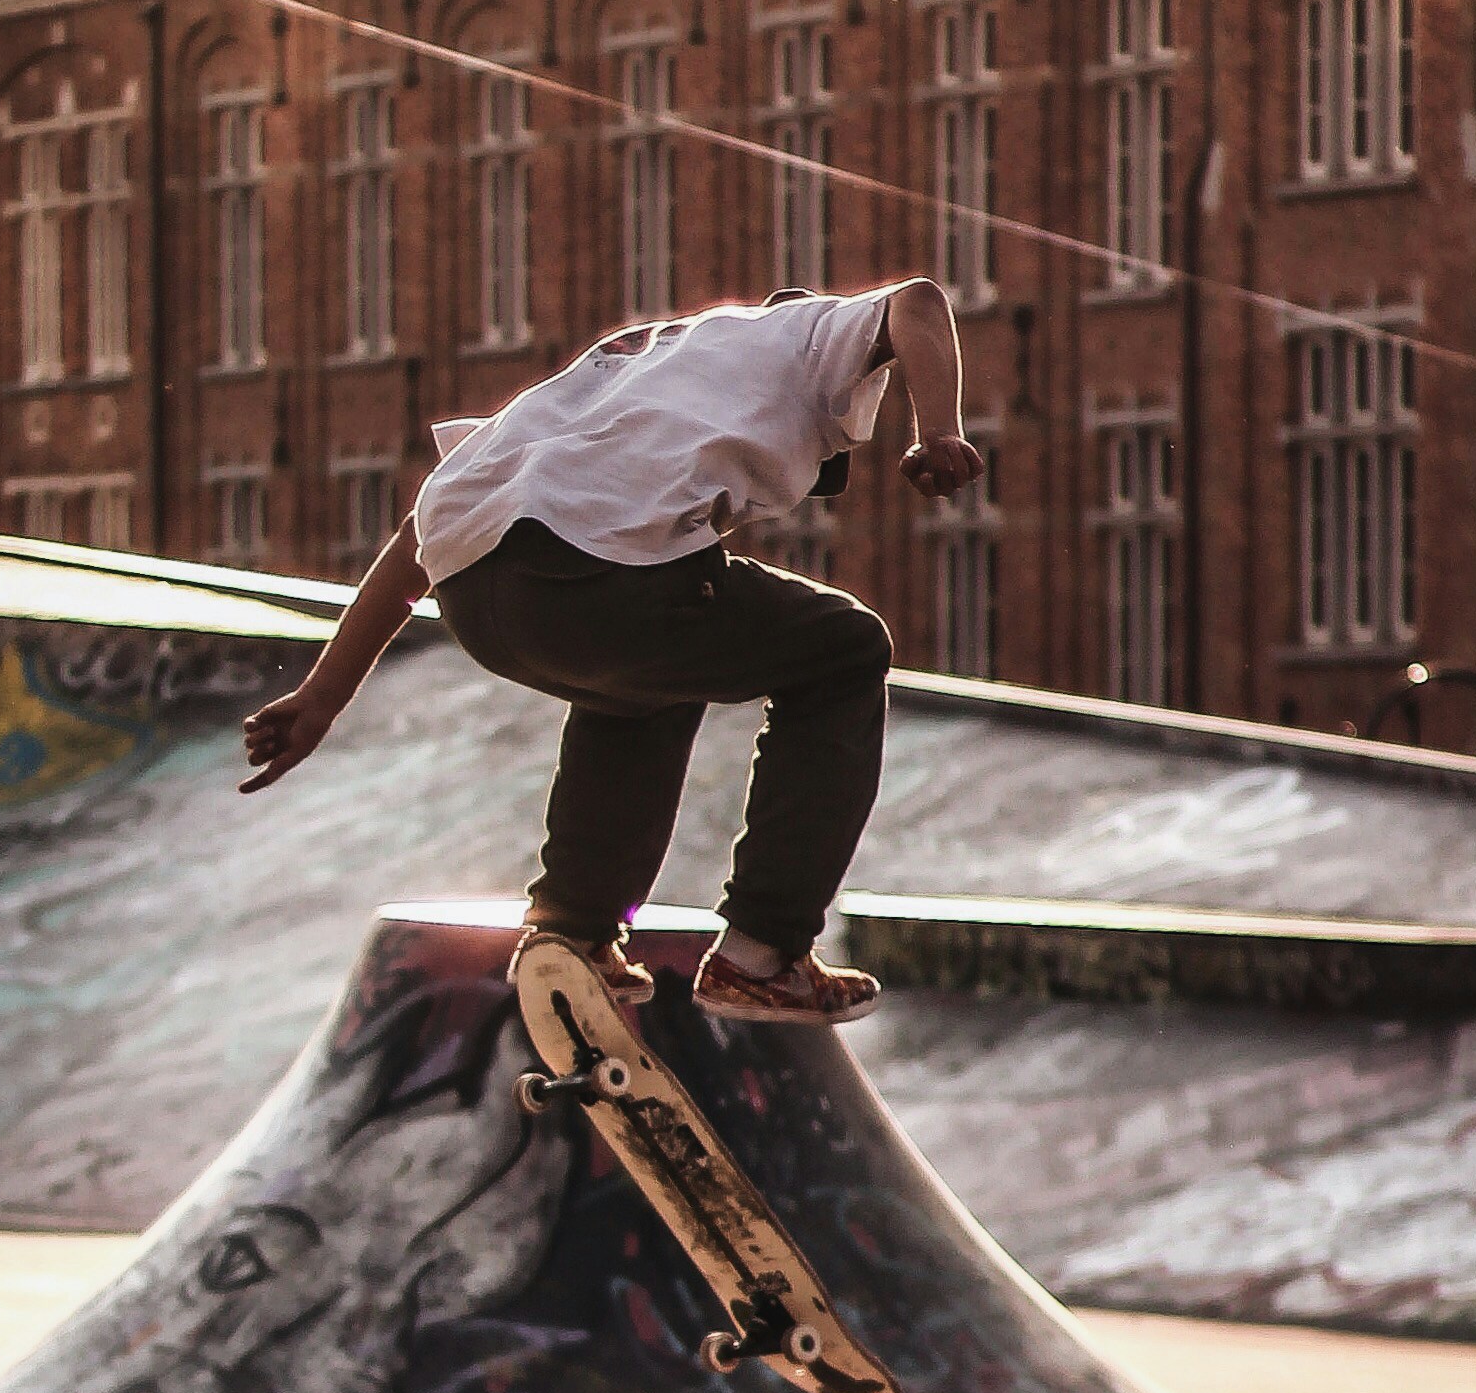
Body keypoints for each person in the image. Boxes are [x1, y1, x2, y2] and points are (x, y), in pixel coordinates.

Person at [236, 279, 980, 1018]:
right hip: (596, 578)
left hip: (482, 598)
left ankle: (572, 932)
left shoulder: (628, 368)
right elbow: (916, 302)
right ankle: (765, 953)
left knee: (647, 677)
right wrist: (938, 429)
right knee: (845, 648)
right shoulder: (802, 336)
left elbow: (417, 540)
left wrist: (322, 698)